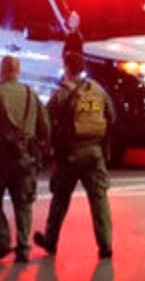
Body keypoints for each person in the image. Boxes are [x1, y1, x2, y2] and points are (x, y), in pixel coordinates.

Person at [34, 50, 115, 259]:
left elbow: (46, 123)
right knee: (99, 199)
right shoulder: (97, 90)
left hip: (70, 155)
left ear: (67, 69)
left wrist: (45, 149)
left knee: (60, 199)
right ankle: (105, 245)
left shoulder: (62, 93)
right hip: (94, 152)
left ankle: (50, 241)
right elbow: (111, 116)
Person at [0, 55, 50, 264]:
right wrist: (41, 146)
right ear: (18, 70)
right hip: (25, 159)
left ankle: (3, 239)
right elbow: (45, 125)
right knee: (23, 203)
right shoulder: (30, 94)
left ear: (2, 71)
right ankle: (23, 248)